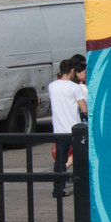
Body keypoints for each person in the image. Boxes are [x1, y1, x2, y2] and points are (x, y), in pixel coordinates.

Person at [47, 56, 87, 201]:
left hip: (59, 129)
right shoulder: (75, 88)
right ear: (71, 70)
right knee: (81, 158)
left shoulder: (52, 86)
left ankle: (58, 189)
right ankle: (82, 187)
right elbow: (84, 109)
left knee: (60, 161)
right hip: (74, 128)